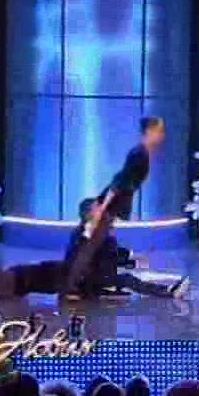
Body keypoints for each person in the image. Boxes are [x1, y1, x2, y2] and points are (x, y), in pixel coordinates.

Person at [0, 196, 189, 300]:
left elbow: (107, 261)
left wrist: (131, 261)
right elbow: (101, 265)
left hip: (35, 279)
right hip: (32, 278)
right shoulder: (89, 236)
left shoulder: (97, 238)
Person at [62, 117, 166, 294]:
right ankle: (72, 288)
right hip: (108, 208)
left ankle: (75, 287)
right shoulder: (139, 154)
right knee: (89, 248)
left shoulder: (142, 154)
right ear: (149, 131)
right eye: (159, 130)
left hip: (110, 209)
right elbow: (118, 182)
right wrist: (101, 209)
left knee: (94, 246)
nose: (162, 135)